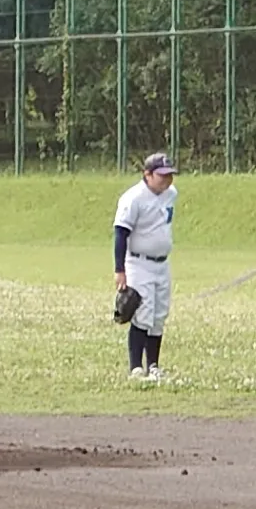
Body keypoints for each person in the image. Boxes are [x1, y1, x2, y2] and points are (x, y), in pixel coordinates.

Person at [114, 151, 178, 382]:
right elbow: (121, 233)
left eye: (169, 175)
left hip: (162, 263)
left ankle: (153, 366)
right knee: (143, 311)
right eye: (161, 175)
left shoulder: (171, 194)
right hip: (138, 263)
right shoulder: (133, 198)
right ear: (147, 174)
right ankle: (135, 368)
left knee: (159, 314)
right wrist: (119, 270)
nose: (167, 179)